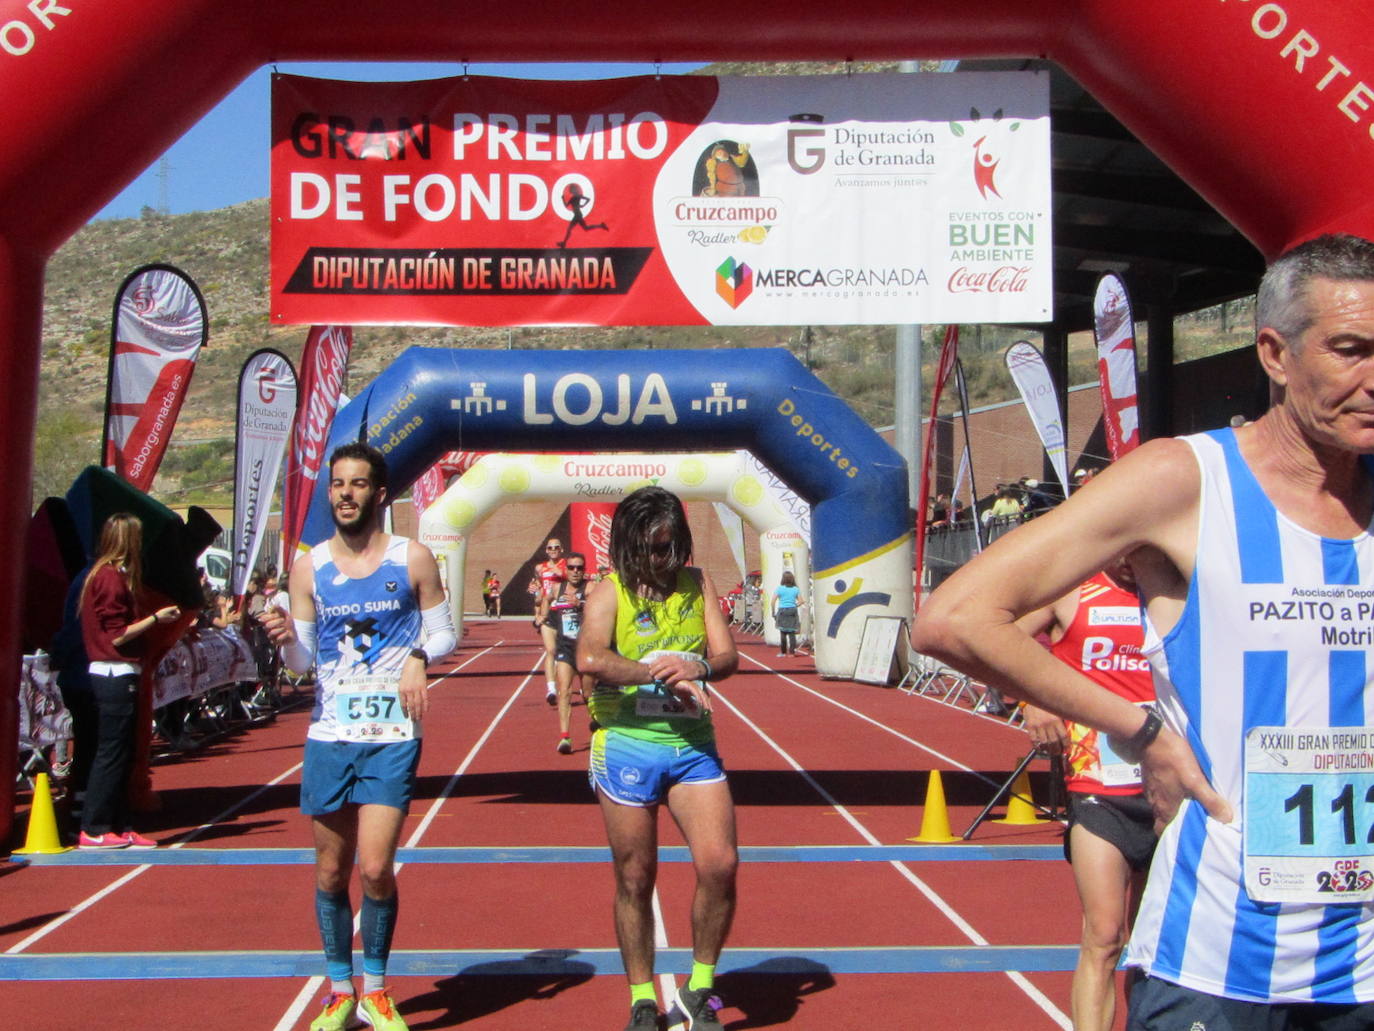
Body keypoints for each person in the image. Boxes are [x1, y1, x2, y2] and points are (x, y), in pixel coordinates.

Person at [914, 234, 1374, 1028]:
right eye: (1350, 349)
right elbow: (954, 617)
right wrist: (1144, 730)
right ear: (1274, 353)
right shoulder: (1185, 480)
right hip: (1218, 958)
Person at [261, 442, 456, 1031]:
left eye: (357, 484)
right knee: (328, 871)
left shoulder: (412, 557)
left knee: (374, 868)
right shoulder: (309, 566)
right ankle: (339, 991)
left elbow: (446, 634)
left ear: (379, 493)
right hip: (329, 734)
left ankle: (376, 989)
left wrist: (419, 655)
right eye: (337, 484)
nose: (345, 494)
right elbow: (300, 660)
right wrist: (281, 639)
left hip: (392, 734)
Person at [577, 486, 740, 1031]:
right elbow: (590, 657)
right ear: (628, 546)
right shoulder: (609, 592)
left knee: (719, 865)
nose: (662, 561)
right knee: (635, 875)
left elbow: (726, 655)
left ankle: (699, 989)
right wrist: (655, 669)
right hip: (627, 742)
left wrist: (701, 669)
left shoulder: (697, 584)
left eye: (671, 548)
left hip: (692, 745)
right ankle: (643, 999)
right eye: (651, 550)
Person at [1018, 559, 1156, 1031]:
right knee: (1103, 934)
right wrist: (1032, 699)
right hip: (1099, 786)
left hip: (1171, 790)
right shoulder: (1072, 590)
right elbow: (998, 638)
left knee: (1152, 943)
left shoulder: (1175, 593)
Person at [77, 513, 180, 849]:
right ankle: (94, 825)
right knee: (111, 751)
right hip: (113, 672)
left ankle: (119, 824)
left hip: (122, 671)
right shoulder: (108, 578)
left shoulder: (116, 576)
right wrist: (154, 618)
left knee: (123, 752)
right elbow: (116, 634)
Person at [536, 551, 593, 754]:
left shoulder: (590, 588)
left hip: (585, 648)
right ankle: (564, 737)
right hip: (566, 647)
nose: (575, 571)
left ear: (584, 570)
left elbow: (599, 609)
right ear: (566, 569)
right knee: (564, 691)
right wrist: (542, 615)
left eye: (579, 568)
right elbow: (544, 597)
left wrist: (581, 605)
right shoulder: (557, 588)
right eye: (571, 567)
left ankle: (595, 724)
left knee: (587, 694)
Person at [535, 538, 568, 706]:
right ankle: (551, 689)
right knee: (551, 650)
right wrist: (538, 608)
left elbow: (567, 577)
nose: (553, 550)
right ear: (546, 550)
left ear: (561, 549)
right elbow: (540, 590)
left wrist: (557, 570)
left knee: (569, 651)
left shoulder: (567, 565)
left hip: (565, 611)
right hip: (548, 613)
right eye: (550, 548)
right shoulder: (540, 568)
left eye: (556, 547)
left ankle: (573, 684)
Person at [771, 570, 804, 657]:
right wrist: (794, 605)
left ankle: (783, 652)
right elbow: (801, 601)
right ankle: (792, 652)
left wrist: (773, 611)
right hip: (792, 610)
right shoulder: (796, 589)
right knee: (792, 632)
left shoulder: (779, 589)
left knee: (783, 631)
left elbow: (773, 601)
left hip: (782, 610)